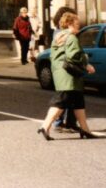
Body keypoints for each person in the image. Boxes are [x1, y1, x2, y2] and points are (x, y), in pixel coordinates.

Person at [38, 11, 97, 140]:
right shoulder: (71, 38)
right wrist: (86, 62)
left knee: (78, 102)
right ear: (70, 24)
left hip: (62, 74)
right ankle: (45, 126)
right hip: (68, 76)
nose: (79, 25)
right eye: (77, 23)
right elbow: (74, 56)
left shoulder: (59, 37)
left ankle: (85, 129)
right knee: (60, 102)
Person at [50, 6, 79, 132]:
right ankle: (57, 123)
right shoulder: (64, 34)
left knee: (70, 98)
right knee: (64, 98)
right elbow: (69, 53)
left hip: (61, 69)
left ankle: (70, 123)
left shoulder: (59, 32)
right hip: (65, 70)